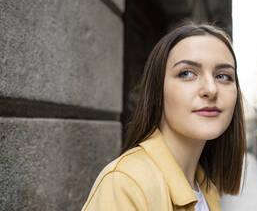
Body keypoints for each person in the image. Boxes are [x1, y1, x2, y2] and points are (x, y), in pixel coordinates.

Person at [81, 23, 246, 211]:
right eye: (187, 73)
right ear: (158, 91)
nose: (210, 89)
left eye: (223, 76)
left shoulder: (207, 190)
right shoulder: (125, 183)